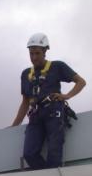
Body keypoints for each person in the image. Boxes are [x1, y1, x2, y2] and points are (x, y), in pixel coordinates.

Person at [11, 33, 86, 169]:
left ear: (45, 51)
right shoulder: (26, 74)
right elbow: (25, 102)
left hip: (53, 113)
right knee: (29, 154)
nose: (34, 57)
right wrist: (14, 125)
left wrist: (67, 96)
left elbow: (81, 82)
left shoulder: (57, 66)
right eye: (31, 54)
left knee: (54, 153)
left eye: (37, 53)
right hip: (35, 116)